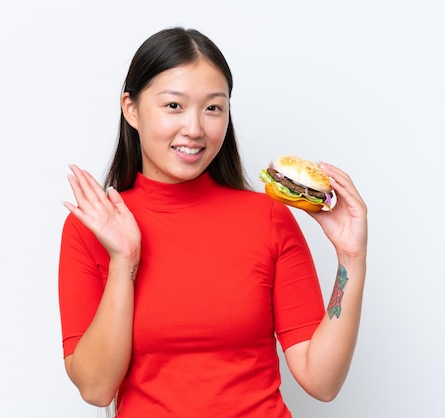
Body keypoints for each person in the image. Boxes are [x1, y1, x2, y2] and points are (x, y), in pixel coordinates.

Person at [58, 27, 368, 418]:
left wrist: (351, 258)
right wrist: (124, 260)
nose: (194, 129)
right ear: (131, 109)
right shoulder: (91, 228)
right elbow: (96, 387)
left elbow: (321, 381)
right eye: (174, 106)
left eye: (213, 108)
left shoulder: (268, 218)